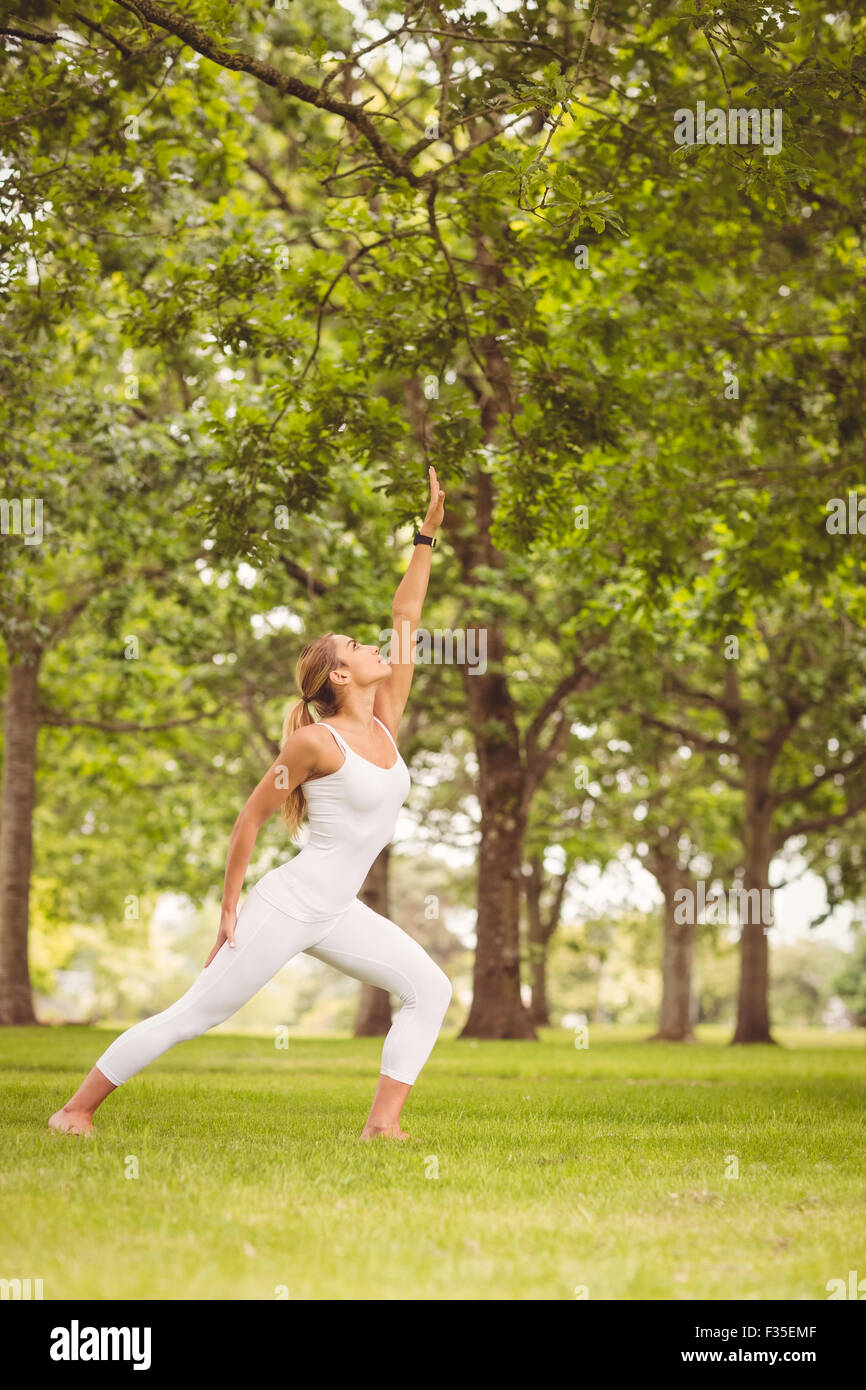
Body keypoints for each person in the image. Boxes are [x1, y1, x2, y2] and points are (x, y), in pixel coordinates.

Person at [49, 467, 449, 1142]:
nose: (374, 645)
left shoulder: (386, 719)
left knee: (429, 989)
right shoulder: (314, 746)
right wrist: (231, 903)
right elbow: (252, 815)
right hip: (288, 904)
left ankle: (383, 1126)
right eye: (356, 647)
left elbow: (406, 617)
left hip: (338, 911)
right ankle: (75, 1110)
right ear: (339, 676)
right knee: (196, 1013)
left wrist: (426, 538)